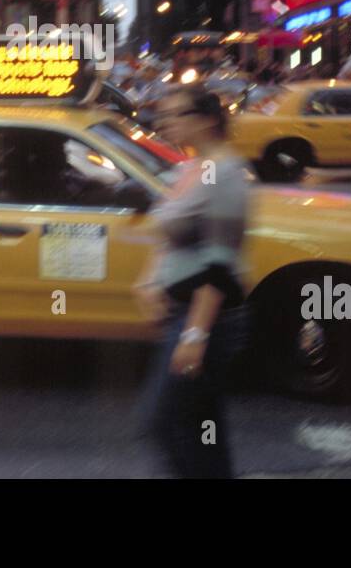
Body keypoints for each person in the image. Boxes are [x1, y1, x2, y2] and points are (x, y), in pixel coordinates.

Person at [134, 86, 251, 478]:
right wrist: (152, 277)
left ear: (207, 120)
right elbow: (174, 232)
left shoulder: (226, 175)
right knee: (202, 425)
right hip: (182, 314)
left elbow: (219, 264)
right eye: (162, 115)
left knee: (166, 421)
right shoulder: (191, 167)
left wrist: (195, 336)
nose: (165, 124)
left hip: (205, 321)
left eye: (175, 115)